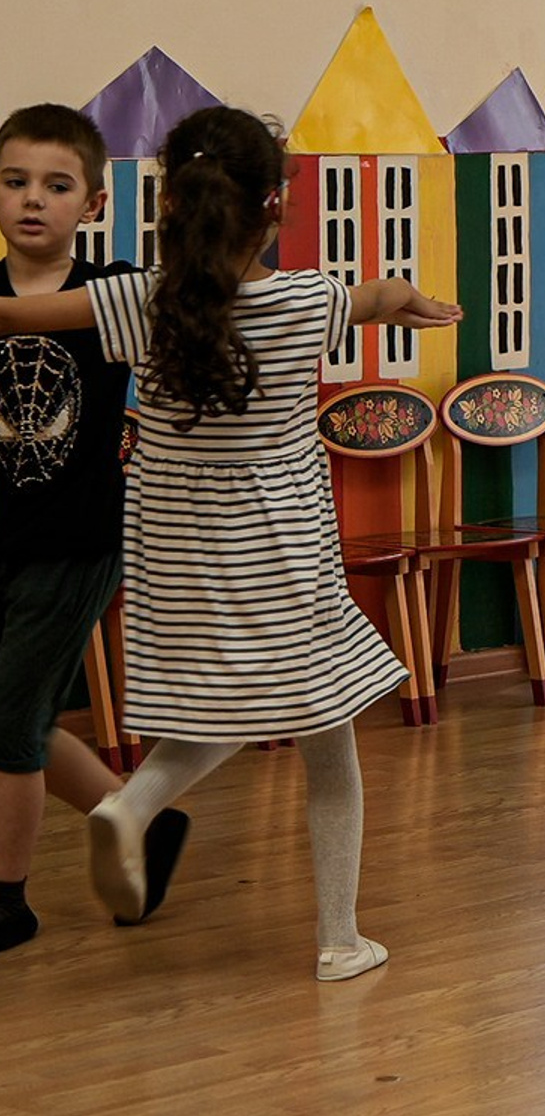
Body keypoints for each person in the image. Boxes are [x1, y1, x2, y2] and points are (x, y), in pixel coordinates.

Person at [0, 107, 458, 979]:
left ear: (167, 206)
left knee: (234, 708)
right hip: (281, 554)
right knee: (327, 732)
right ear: (272, 210)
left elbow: (16, 319)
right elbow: (382, 295)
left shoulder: (133, 301)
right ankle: (337, 938)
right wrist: (420, 303)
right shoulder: (305, 299)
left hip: (175, 558)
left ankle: (133, 809)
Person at [0, 105, 181, 953]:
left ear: (94, 205)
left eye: (56, 185)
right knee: (21, 718)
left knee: (8, 725)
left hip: (75, 545)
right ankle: (136, 818)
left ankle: (8, 899)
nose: (33, 200)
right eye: (14, 182)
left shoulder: (118, 294)